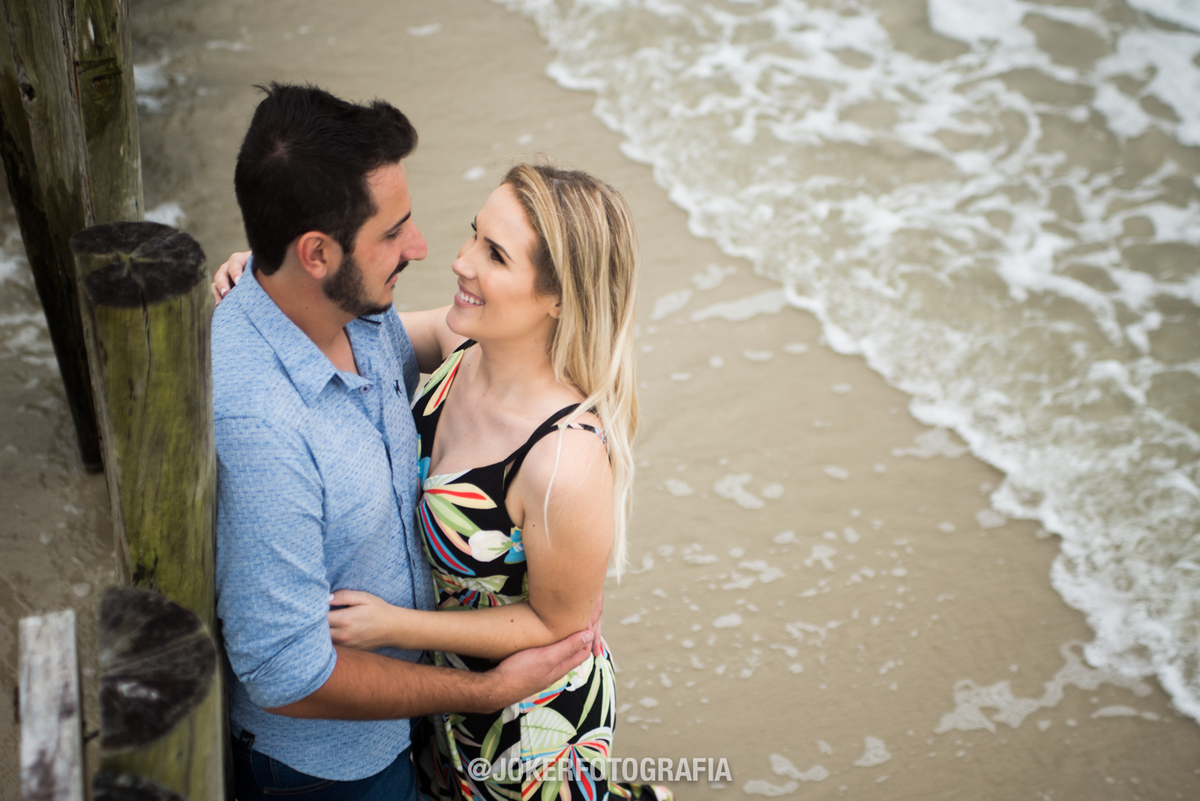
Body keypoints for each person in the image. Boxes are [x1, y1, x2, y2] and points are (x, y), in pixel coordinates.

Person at [214, 163, 669, 800]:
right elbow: (349, 329)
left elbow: (556, 624)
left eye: (496, 255)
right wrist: (270, 279)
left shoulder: (565, 460)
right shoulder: (459, 347)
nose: (461, 261)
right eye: (474, 235)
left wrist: (398, 628)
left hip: (526, 727)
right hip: (435, 706)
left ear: (559, 298)